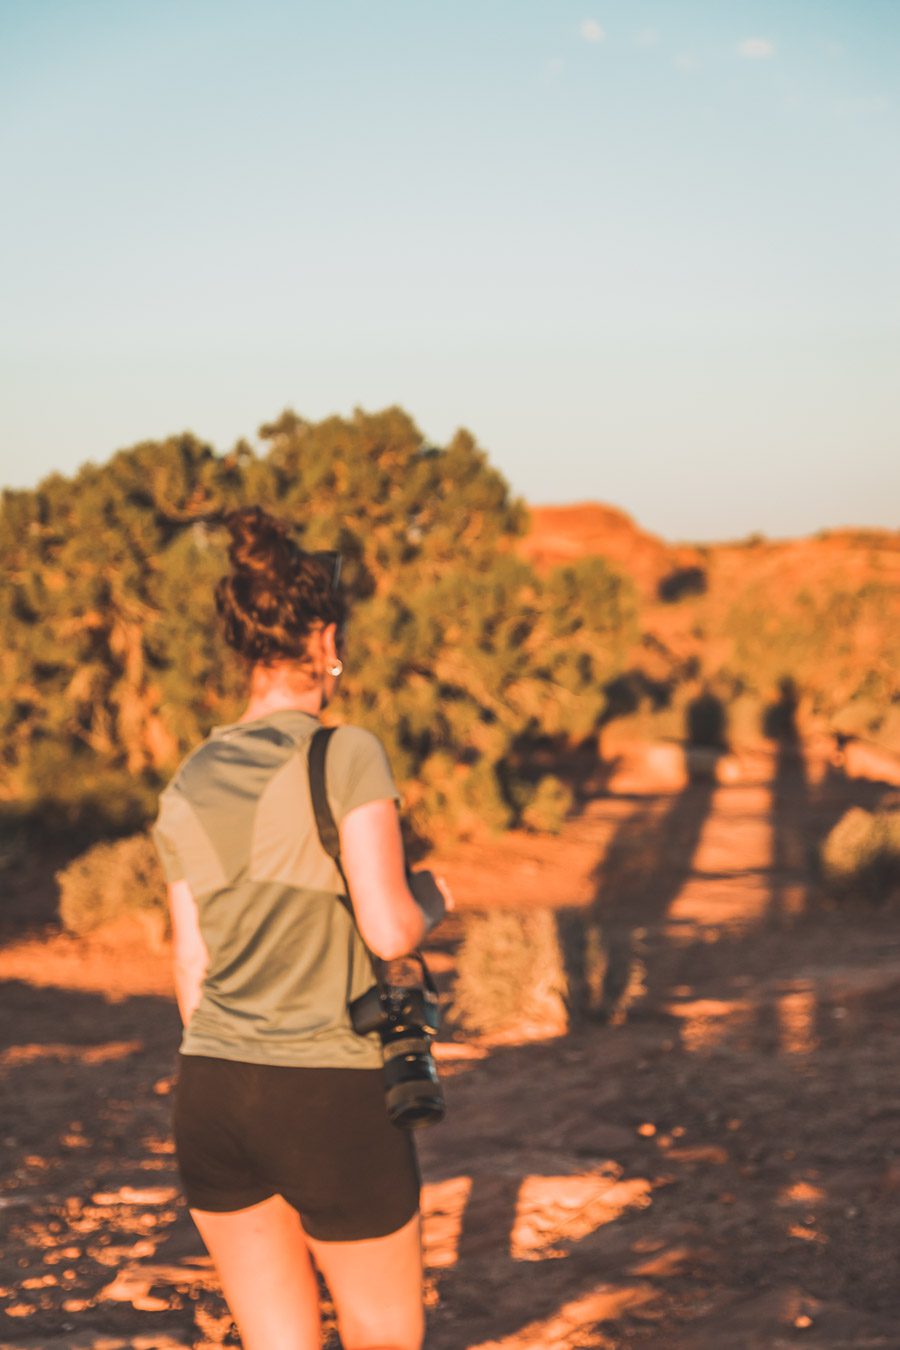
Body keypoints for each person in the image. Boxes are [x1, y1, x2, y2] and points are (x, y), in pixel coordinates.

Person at [151, 505, 452, 1350]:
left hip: (213, 1089)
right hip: (327, 1091)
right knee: (384, 1334)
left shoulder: (187, 780)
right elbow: (390, 929)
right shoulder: (345, 751)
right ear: (324, 640)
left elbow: (190, 970)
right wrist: (437, 895)